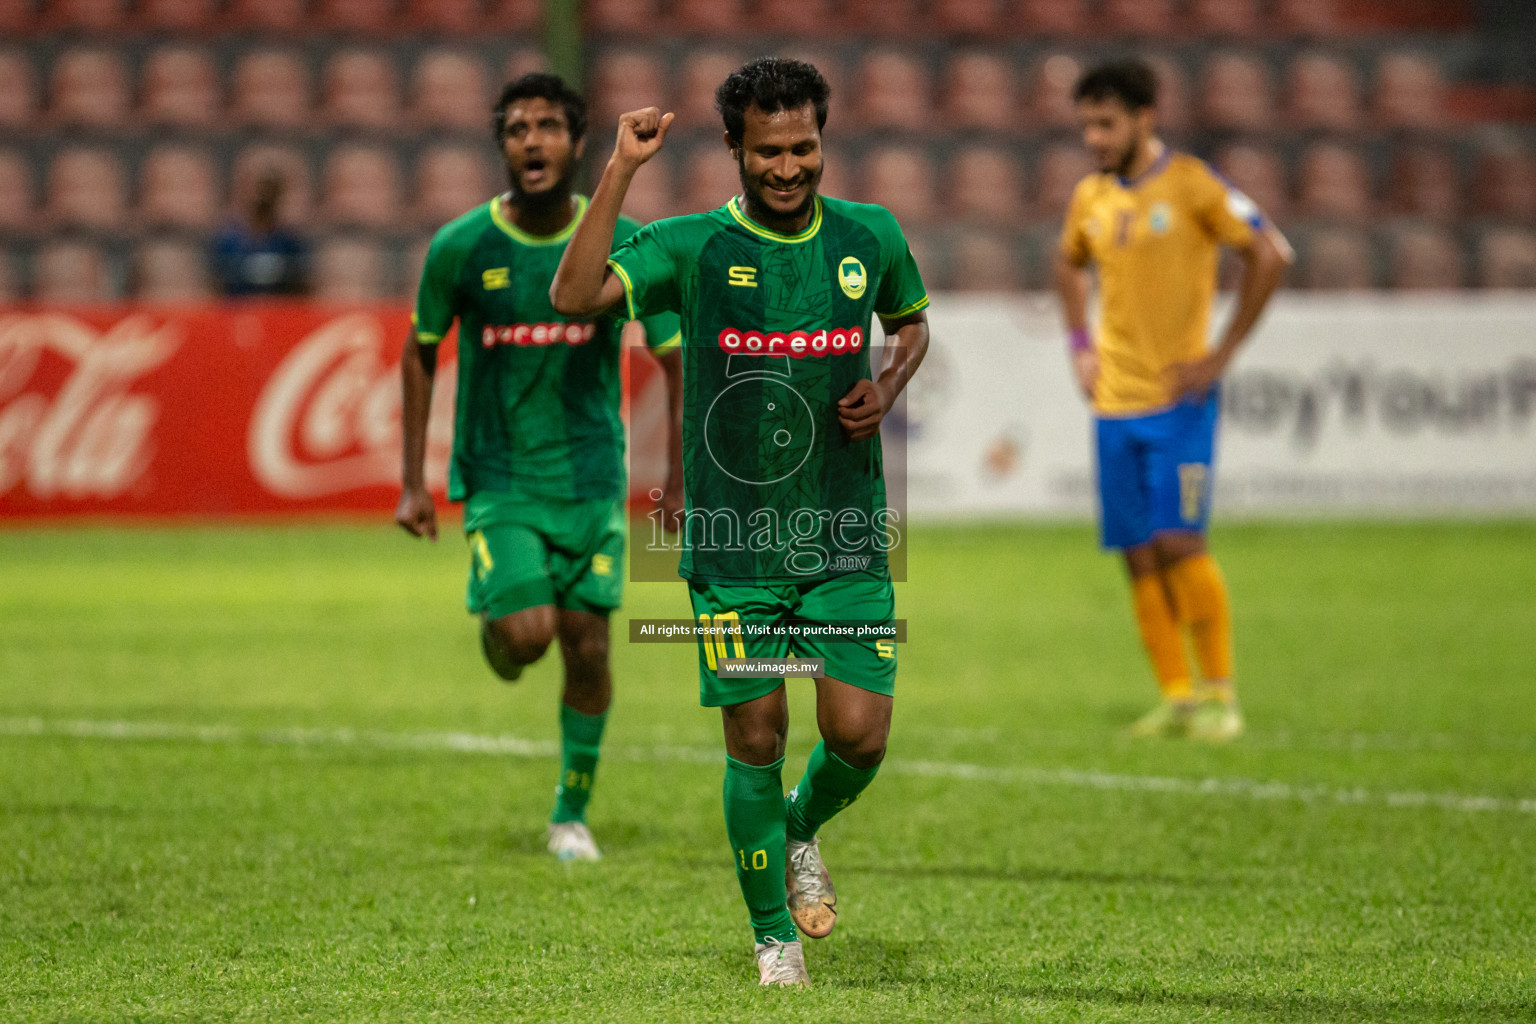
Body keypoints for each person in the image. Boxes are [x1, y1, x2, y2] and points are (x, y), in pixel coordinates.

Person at [551, 57, 930, 987]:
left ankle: (798, 828)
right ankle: (775, 942)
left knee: (859, 736)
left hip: (846, 535)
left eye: (804, 148)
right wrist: (619, 170)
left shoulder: (872, 235)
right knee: (755, 737)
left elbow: (913, 323)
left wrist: (885, 384)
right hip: (732, 548)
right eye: (769, 152)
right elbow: (571, 295)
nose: (790, 168)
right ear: (734, 149)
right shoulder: (687, 247)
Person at [395, 73, 684, 862]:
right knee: (529, 637)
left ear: (578, 141)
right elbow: (419, 354)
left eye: (549, 125)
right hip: (503, 480)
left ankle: (570, 814)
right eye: (518, 127)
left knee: (589, 646)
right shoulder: (461, 247)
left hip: (592, 482)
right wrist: (412, 481)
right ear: (502, 145)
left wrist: (683, 478)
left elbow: (677, 362)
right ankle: (501, 630)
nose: (533, 139)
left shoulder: (623, 250)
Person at [1053, 59, 1292, 741]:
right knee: (1136, 549)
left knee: (1181, 540)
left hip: (1177, 403)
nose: (1094, 138)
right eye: (1086, 126)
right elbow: (1067, 260)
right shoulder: (1090, 198)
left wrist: (1220, 355)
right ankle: (1177, 697)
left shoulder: (1191, 185)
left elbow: (1271, 253)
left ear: (1143, 118)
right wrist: (1079, 342)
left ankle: (1222, 695)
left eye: (1106, 124)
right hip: (1113, 404)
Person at [209, 171, 310, 297]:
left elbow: (302, 286)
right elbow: (216, 285)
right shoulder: (227, 241)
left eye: (269, 190)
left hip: (281, 309)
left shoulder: (290, 241)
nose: (262, 197)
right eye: (257, 190)